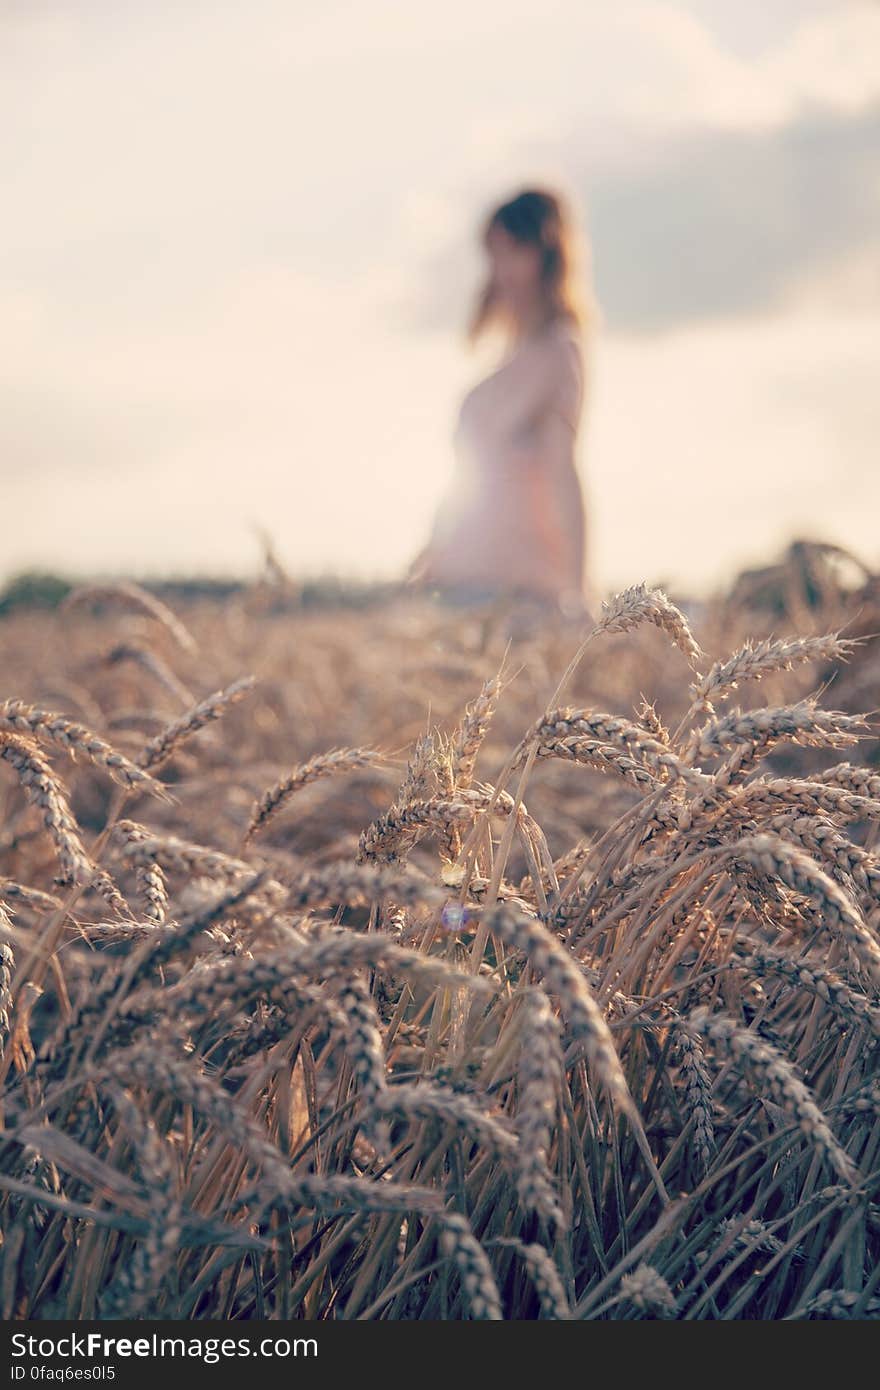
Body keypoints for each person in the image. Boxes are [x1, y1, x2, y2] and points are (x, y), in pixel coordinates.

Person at [405, 187, 594, 619]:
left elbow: (563, 469)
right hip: (455, 583)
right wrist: (432, 548)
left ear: (549, 256)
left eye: (517, 249)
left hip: (516, 590)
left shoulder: (558, 353)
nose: (503, 267)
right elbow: (467, 481)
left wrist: (579, 588)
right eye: (495, 252)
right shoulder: (501, 367)